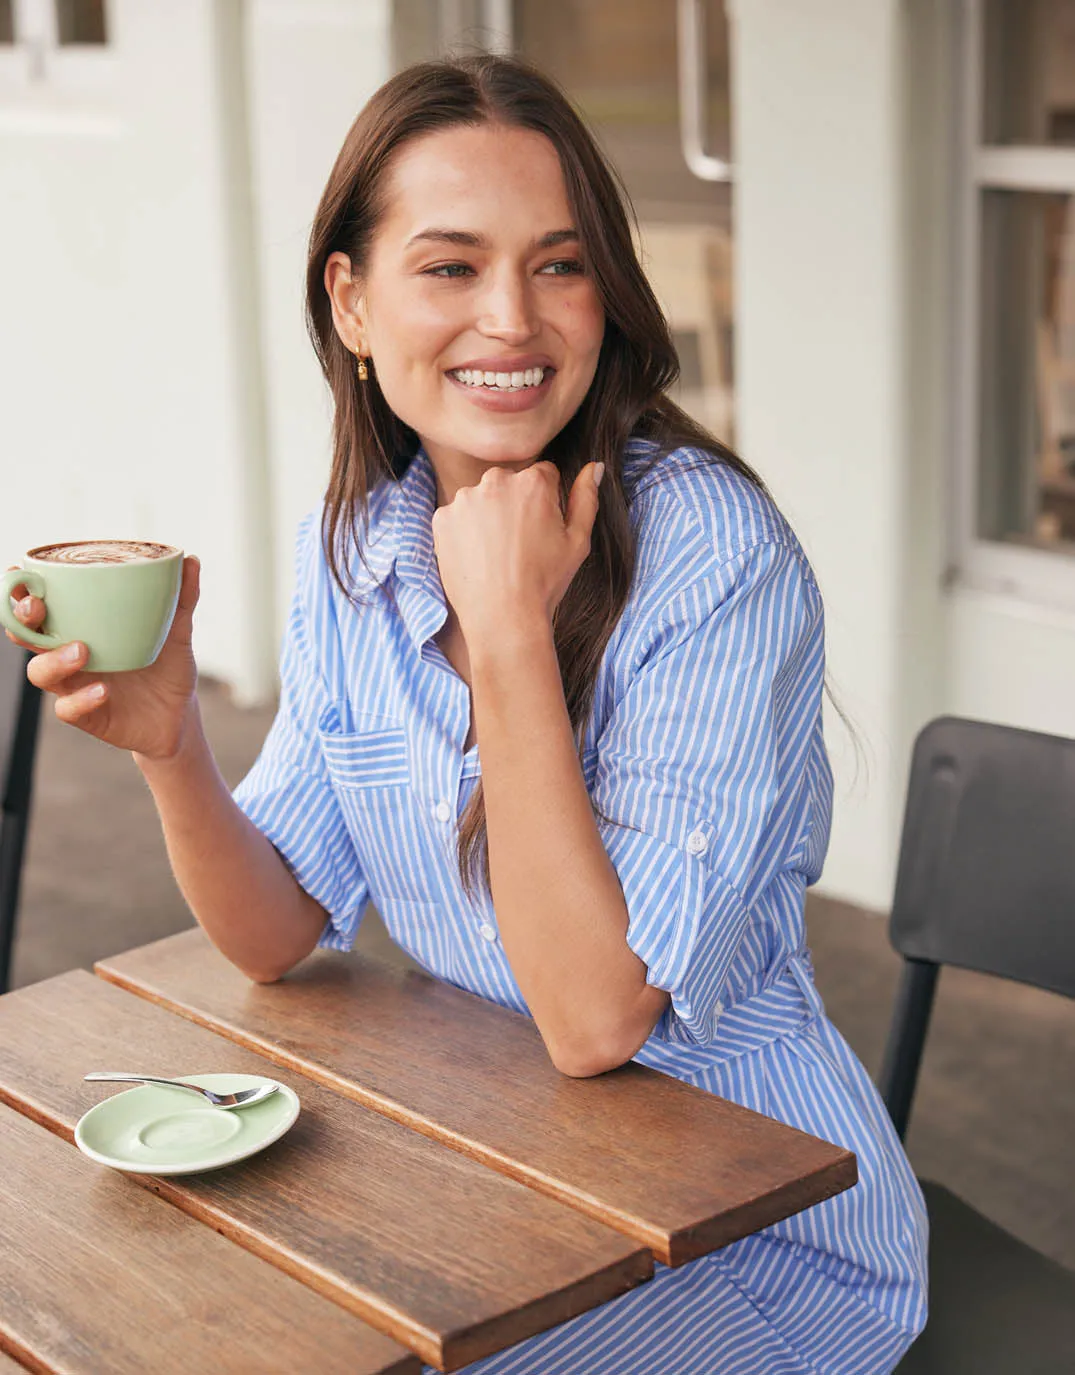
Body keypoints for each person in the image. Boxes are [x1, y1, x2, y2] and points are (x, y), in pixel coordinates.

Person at [8, 54, 927, 1375]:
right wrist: (173, 747)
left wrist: (505, 639)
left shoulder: (711, 557)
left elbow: (596, 1020)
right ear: (354, 301)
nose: (513, 319)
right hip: (495, 1176)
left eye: (558, 265)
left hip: (749, 1240)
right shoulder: (365, 545)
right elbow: (274, 934)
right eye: (449, 267)